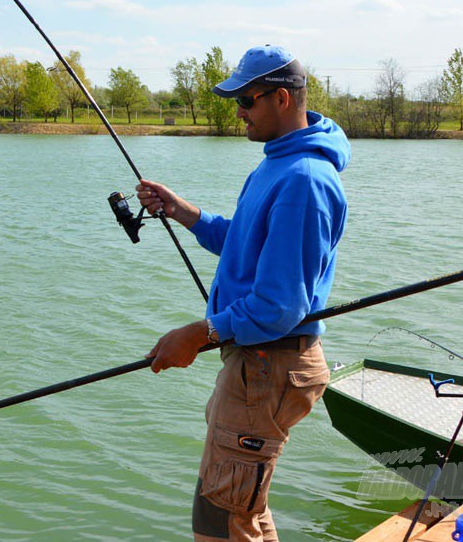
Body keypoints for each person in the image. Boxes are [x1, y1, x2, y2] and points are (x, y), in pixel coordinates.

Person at [136, 45, 350, 542]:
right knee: (240, 508)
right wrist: (182, 211)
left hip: (269, 364)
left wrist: (200, 333)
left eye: (247, 100)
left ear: (280, 98)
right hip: (256, 360)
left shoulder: (304, 179)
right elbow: (245, 242)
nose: (238, 112)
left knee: (221, 516)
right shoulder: (276, 166)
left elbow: (280, 305)